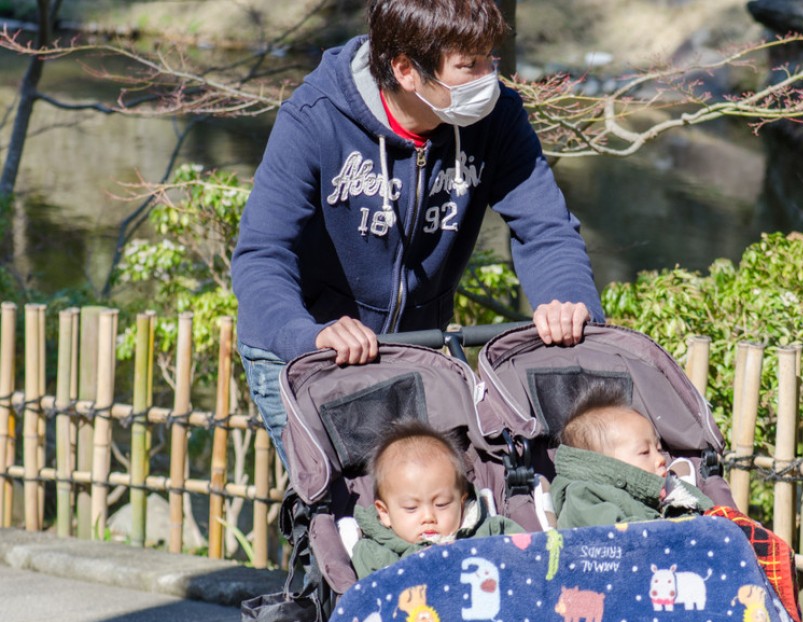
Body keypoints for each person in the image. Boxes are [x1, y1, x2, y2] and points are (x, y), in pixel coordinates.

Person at [231, 0, 603, 467]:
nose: (489, 78)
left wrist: (567, 299)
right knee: (344, 510)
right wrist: (308, 335)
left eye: (491, 58)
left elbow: (547, 230)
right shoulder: (316, 117)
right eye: (470, 65)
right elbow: (262, 255)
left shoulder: (499, 117)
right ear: (406, 69)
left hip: (415, 344)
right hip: (303, 347)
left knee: (435, 499)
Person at [350, 420, 523, 578]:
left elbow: (529, 560)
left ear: (461, 503)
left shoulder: (492, 532)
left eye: (442, 504)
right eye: (411, 508)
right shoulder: (374, 554)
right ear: (385, 513)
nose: (428, 517)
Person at [550, 383, 714, 530]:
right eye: (644, 452)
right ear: (607, 464)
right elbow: (625, 538)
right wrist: (680, 525)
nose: (661, 459)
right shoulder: (584, 495)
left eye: (658, 448)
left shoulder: (649, 496)